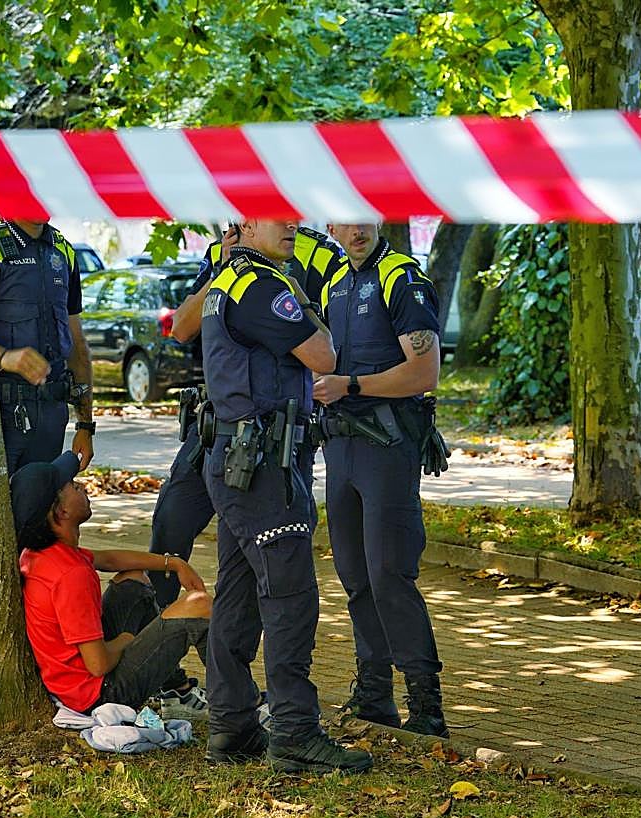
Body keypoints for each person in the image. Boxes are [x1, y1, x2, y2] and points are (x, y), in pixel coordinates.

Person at [198, 219, 372, 774]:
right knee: (290, 594)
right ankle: (295, 731)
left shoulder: (228, 279)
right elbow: (325, 355)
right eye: (279, 215)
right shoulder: (264, 286)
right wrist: (297, 288)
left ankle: (231, 722)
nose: (294, 226)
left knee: (239, 589)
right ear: (245, 223)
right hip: (263, 465)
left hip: (238, 461)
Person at [147, 225, 343, 609]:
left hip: (274, 436)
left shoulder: (317, 254)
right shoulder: (229, 249)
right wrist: (226, 268)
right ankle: (154, 648)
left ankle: (233, 662)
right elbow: (182, 329)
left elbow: (330, 345)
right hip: (216, 428)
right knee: (171, 525)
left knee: (260, 566)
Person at [312, 221, 449, 737]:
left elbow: (424, 373)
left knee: (390, 574)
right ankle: (374, 695)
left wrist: (351, 384)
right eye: (342, 220)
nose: (354, 229)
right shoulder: (335, 283)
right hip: (342, 448)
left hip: (387, 446)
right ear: (329, 227)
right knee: (355, 576)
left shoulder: (401, 277)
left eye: (362, 215)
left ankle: (426, 704)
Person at [12, 451, 211, 716]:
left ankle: (176, 689)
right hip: (100, 693)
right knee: (199, 605)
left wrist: (173, 563)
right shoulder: (70, 575)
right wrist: (128, 639)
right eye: (72, 485)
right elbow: (98, 664)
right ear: (62, 511)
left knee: (132, 579)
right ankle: (238, 705)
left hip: (76, 681)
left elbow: (111, 559)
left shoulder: (46, 553)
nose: (81, 486)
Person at [0, 218, 95, 474]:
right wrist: (4, 356)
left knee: (39, 506)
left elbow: (77, 347)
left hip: (52, 414)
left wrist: (86, 426)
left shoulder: (63, 251)